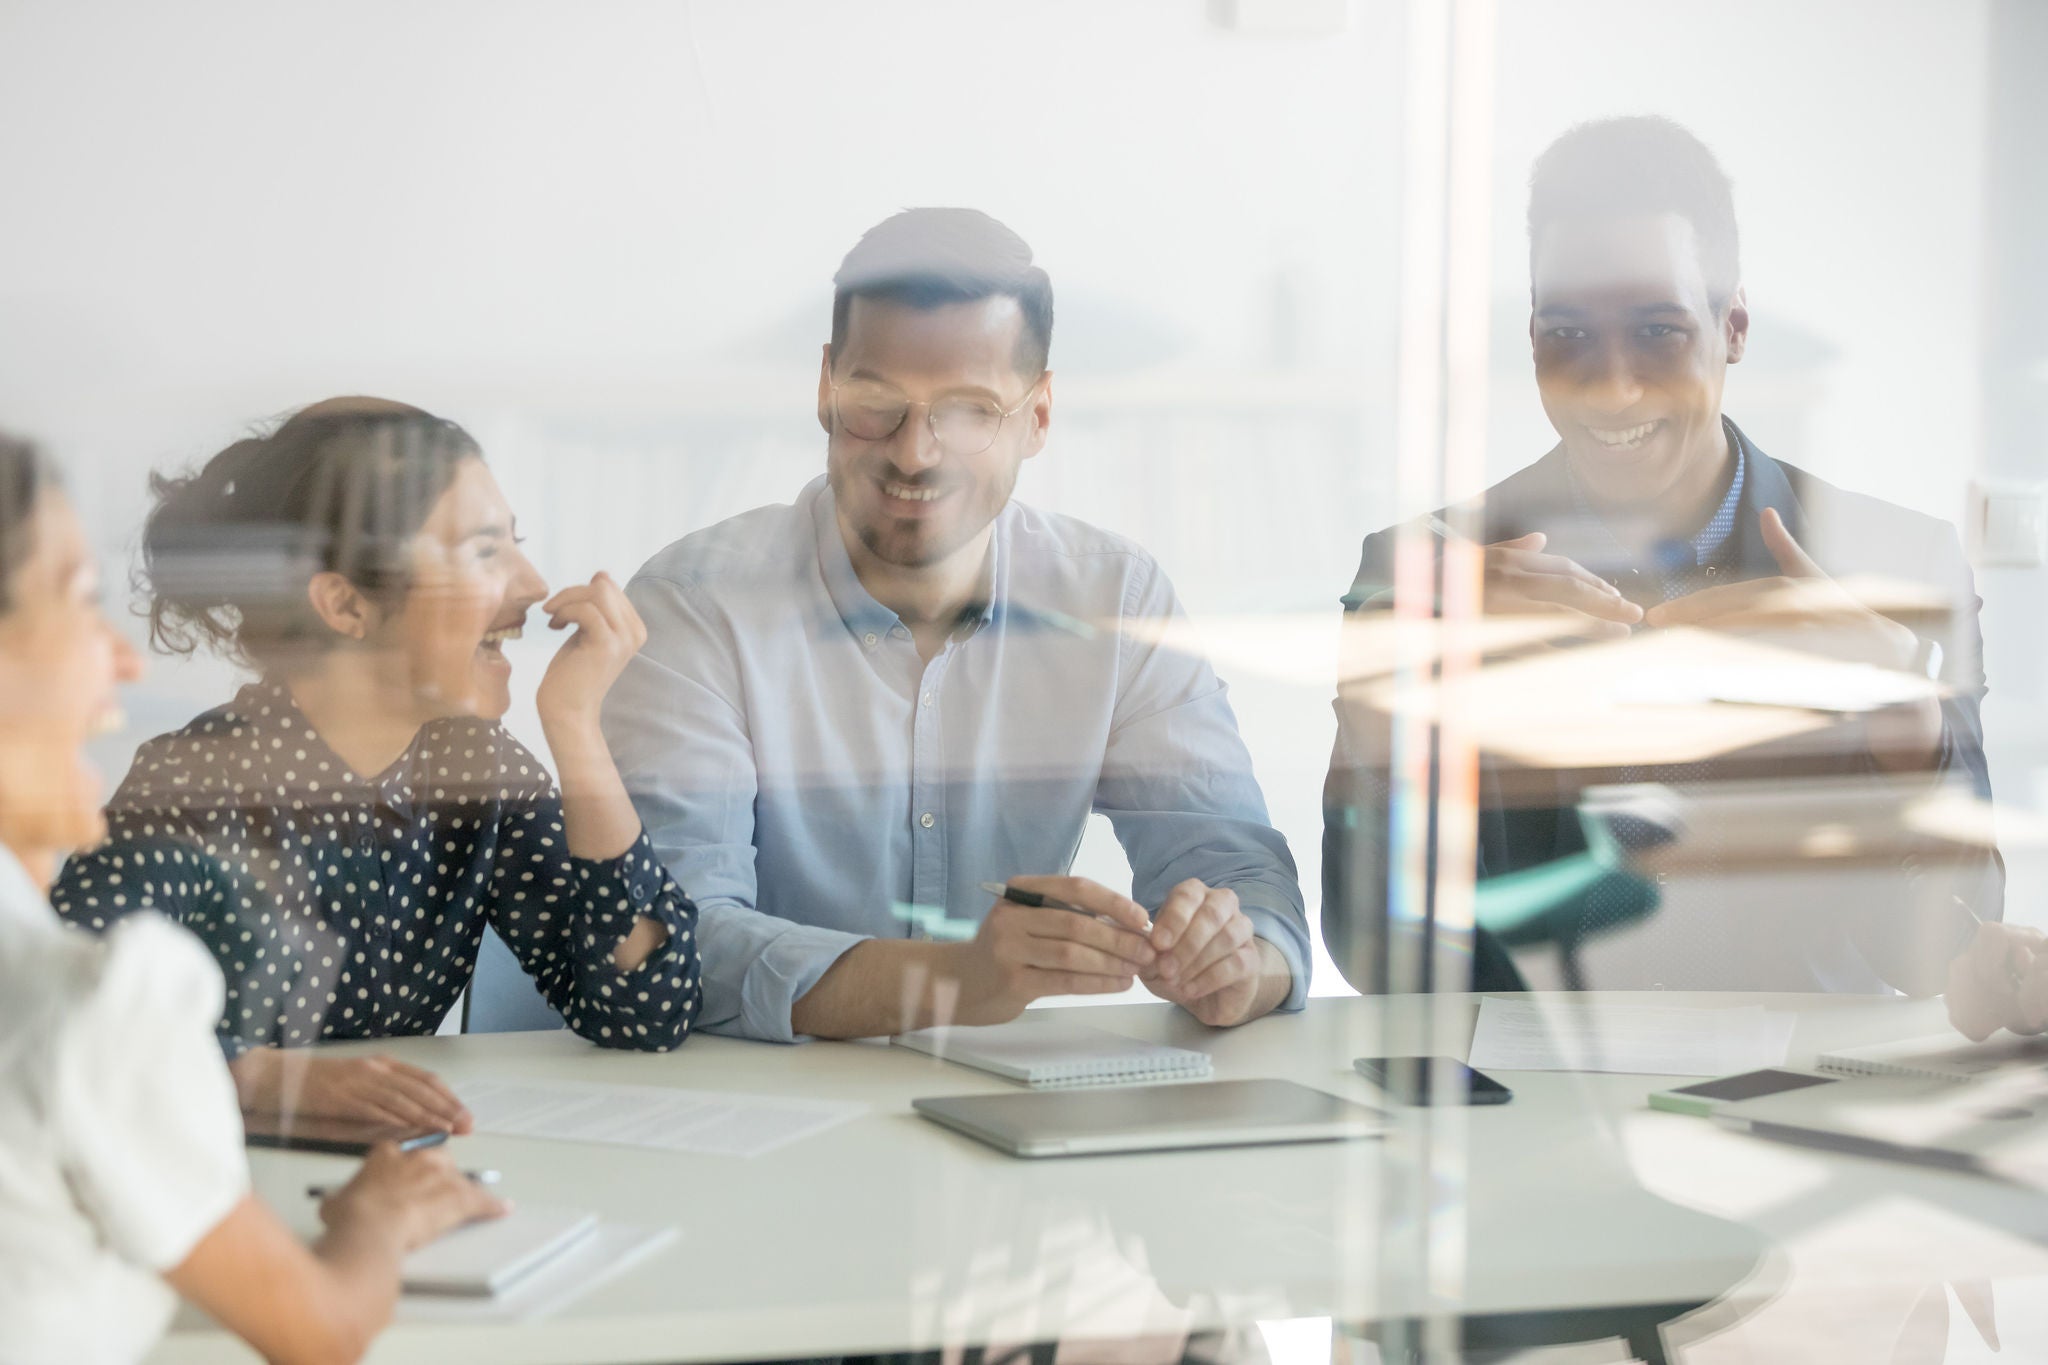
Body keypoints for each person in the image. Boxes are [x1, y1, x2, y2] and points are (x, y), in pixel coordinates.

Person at [1323, 116, 1999, 996]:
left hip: (1804, 1090)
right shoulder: (1423, 571)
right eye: (1567, 333)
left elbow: (1947, 954)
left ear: (1735, 327)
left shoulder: (1902, 562)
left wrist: (1903, 728)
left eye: (1658, 331)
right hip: (1525, 1098)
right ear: (1531, 338)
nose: (1612, 384)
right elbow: (1371, 953)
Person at [601, 208, 1309, 1042]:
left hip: (1001, 1110)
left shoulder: (1114, 597)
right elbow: (674, 942)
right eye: (876, 402)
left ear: (1038, 417)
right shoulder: (694, 604)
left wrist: (1239, 962)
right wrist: (952, 983)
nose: (915, 453)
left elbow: (1234, 869)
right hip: (755, 1106)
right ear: (826, 390)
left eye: (970, 410)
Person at [53, 398, 703, 1133]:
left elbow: (646, 1010)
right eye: (486, 552)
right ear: (344, 604)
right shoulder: (196, 783)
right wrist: (259, 1072)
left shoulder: (478, 775)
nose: (531, 585)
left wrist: (576, 728)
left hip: (391, 1176)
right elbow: (62, 998)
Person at [0, 428, 505, 1365]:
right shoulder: (88, 1001)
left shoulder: (479, 773)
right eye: (76, 604)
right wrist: (380, 1219)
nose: (123, 659)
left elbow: (641, 986)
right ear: (344, 606)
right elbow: (317, 1328)